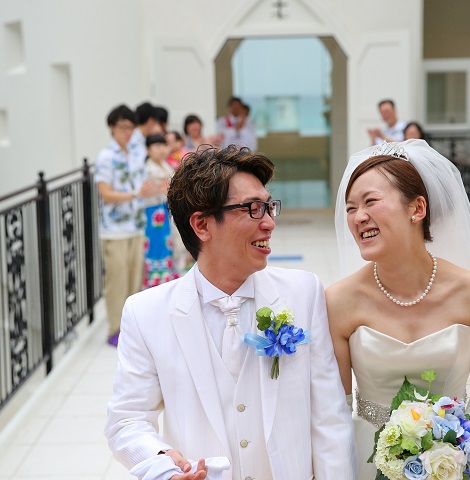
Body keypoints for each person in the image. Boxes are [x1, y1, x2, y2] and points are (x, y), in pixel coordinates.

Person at [105, 145, 357, 480]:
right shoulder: (145, 312)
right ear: (202, 225)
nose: (269, 223)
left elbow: (330, 418)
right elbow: (126, 421)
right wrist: (163, 461)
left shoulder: (303, 292)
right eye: (253, 209)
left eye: (269, 207)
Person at [327, 140, 470, 479]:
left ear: (417, 208)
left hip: (453, 462)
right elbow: (337, 404)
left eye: (370, 201)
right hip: (368, 459)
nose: (358, 217)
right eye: (351, 208)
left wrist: (455, 449)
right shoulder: (338, 301)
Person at [94, 104, 154, 347]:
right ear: (111, 128)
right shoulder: (106, 157)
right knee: (117, 280)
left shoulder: (136, 153)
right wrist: (136, 194)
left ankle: (131, 329)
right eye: (123, 127)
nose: (127, 132)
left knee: (133, 280)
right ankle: (114, 329)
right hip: (114, 229)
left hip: (136, 224)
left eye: (131, 127)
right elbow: (105, 194)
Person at [141, 134, 178, 289]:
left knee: (167, 243)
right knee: (155, 245)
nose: (161, 149)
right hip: (152, 212)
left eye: (163, 145)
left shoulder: (166, 165)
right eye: (156, 146)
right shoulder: (147, 169)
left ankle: (166, 278)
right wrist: (164, 188)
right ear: (148, 149)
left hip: (165, 211)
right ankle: (154, 280)